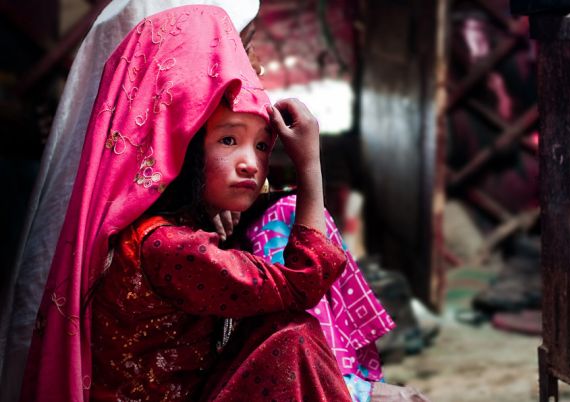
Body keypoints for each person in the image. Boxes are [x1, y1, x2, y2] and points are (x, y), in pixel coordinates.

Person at [21, 6, 351, 401]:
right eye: (228, 140)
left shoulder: (147, 228)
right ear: (183, 141)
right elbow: (306, 281)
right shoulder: (172, 248)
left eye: (263, 145)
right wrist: (309, 167)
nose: (250, 162)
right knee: (295, 339)